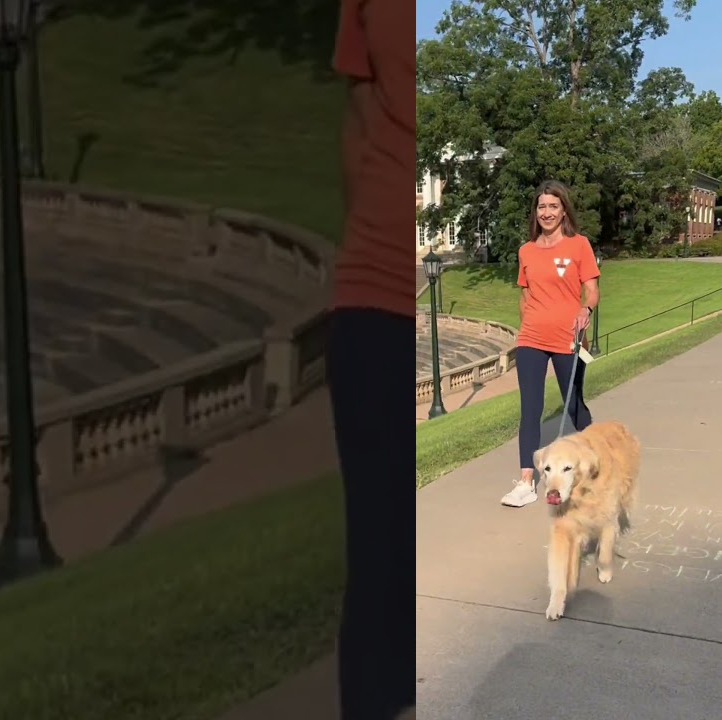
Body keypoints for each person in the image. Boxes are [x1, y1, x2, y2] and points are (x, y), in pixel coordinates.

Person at [327, 0, 415, 718]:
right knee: (381, 560)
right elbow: (358, 126)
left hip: (377, 285)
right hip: (373, 294)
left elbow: (357, 134)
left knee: (389, 559)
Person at [500, 180, 601, 507]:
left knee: (574, 405)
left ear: (563, 210)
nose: (547, 212)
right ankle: (526, 482)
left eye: (553, 206)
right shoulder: (526, 251)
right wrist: (525, 325)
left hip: (568, 340)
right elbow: (525, 293)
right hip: (532, 339)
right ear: (536, 212)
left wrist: (585, 309)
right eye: (541, 207)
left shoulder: (579, 245)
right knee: (530, 410)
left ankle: (594, 466)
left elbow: (592, 291)